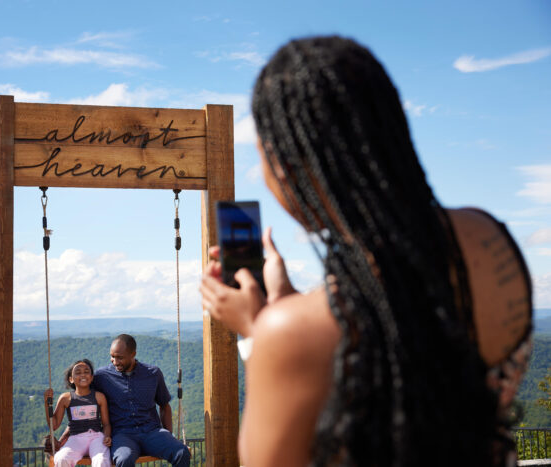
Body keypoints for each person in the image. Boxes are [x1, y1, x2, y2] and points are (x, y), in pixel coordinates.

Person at [200, 36, 532, 467]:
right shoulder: (491, 237)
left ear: (286, 166)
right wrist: (286, 307)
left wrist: (259, 331)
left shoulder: (285, 336)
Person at [92, 334, 190, 467]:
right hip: (122, 434)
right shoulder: (101, 376)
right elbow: (82, 399)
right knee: (124, 459)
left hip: (152, 432)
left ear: (133, 354)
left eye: (119, 357)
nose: (115, 361)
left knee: (181, 452)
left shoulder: (153, 373)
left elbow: (164, 406)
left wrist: (169, 434)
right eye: (112, 356)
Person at [44, 359, 112, 467]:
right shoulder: (66, 398)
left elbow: (106, 423)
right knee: (61, 459)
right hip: (75, 438)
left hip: (96, 437)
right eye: (78, 372)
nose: (83, 375)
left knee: (101, 460)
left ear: (92, 377)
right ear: (71, 379)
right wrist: (47, 404)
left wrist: (107, 436)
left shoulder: (99, 397)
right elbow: (54, 425)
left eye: (86, 371)